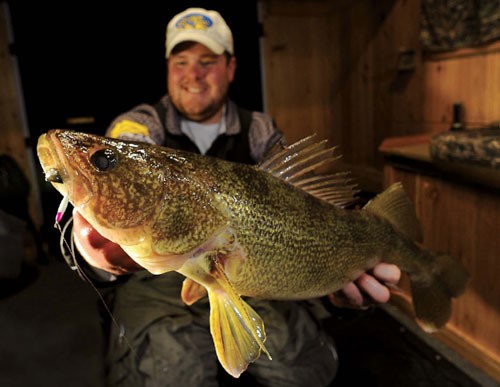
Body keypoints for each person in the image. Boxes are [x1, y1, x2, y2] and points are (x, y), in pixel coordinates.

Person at [71, 8, 401, 387]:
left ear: (230, 68)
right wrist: (87, 246)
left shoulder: (259, 129)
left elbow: (306, 215)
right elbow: (128, 151)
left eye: (207, 62)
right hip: (159, 276)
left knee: (301, 369)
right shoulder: (142, 123)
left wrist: (333, 291)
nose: (193, 74)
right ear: (168, 68)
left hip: (247, 268)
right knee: (168, 372)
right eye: (181, 62)